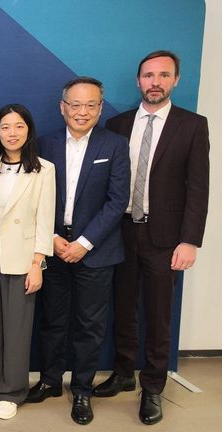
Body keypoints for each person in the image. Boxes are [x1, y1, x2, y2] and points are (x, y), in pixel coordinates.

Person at [93, 50, 209, 425]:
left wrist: (190, 240)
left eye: (163, 75)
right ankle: (124, 374)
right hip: (121, 231)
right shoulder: (117, 124)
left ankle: (153, 387)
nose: (155, 82)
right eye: (148, 75)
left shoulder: (192, 125)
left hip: (165, 237)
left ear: (176, 80)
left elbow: (198, 188)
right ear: (138, 80)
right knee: (123, 308)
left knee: (158, 315)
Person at [27, 77, 130, 426]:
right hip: (54, 246)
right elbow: (34, 196)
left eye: (90, 105)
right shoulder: (44, 144)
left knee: (89, 325)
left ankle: (82, 389)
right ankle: (50, 381)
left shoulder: (115, 145)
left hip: (96, 251)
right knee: (52, 320)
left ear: (99, 109)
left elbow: (117, 201)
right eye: (75, 104)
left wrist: (84, 243)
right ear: (63, 107)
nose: (82, 111)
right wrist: (54, 238)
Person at [0, 104, 55, 420]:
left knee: (17, 327)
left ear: (29, 130)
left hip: (22, 256)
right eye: (5, 127)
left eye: (19, 126)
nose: (12, 133)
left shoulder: (43, 170)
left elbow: (45, 220)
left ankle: (11, 390)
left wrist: (38, 263)